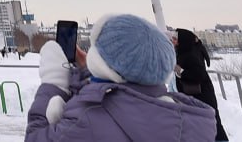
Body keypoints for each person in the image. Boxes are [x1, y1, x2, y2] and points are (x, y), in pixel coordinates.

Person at [27, 14, 216, 142]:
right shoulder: (188, 118)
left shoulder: (86, 118)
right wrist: (89, 73)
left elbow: (35, 137)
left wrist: (54, 82)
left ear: (101, 64)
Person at [173, 28, 229, 141]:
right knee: (208, 122)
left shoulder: (190, 54)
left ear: (183, 40)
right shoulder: (188, 50)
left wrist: (181, 72)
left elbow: (199, 74)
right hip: (198, 94)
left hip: (202, 95)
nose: (173, 41)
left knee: (212, 122)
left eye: (175, 39)